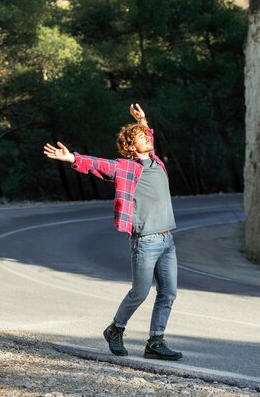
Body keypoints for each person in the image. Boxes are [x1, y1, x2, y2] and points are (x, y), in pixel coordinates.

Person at [43, 103, 182, 361]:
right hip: (146, 241)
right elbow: (99, 164)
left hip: (167, 240)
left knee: (168, 293)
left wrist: (142, 121)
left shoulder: (156, 162)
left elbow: (148, 135)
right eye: (142, 137)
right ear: (131, 148)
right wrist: (71, 157)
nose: (147, 137)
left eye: (147, 135)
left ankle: (155, 342)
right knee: (139, 292)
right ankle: (115, 329)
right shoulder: (127, 168)